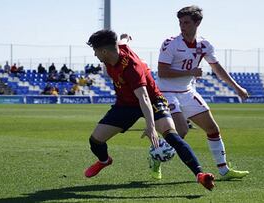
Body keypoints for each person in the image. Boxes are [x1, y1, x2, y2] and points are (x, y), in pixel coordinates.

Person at [84, 29, 215, 191]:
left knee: (172, 136)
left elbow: (144, 98)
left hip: (152, 100)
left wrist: (151, 127)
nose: (95, 55)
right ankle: (104, 161)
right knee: (95, 141)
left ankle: (200, 174)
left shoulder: (132, 68)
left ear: (104, 50)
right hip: (125, 105)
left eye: (95, 51)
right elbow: (124, 41)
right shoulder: (117, 48)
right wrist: (126, 36)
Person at [155, 5, 249, 181]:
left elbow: (217, 68)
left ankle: (223, 170)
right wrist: (190, 72)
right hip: (166, 91)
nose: (182, 26)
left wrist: (236, 87)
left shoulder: (204, 45)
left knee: (212, 128)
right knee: (180, 131)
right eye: (180, 22)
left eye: (186, 22)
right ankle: (156, 159)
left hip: (187, 91)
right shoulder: (170, 44)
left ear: (197, 23)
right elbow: (162, 72)